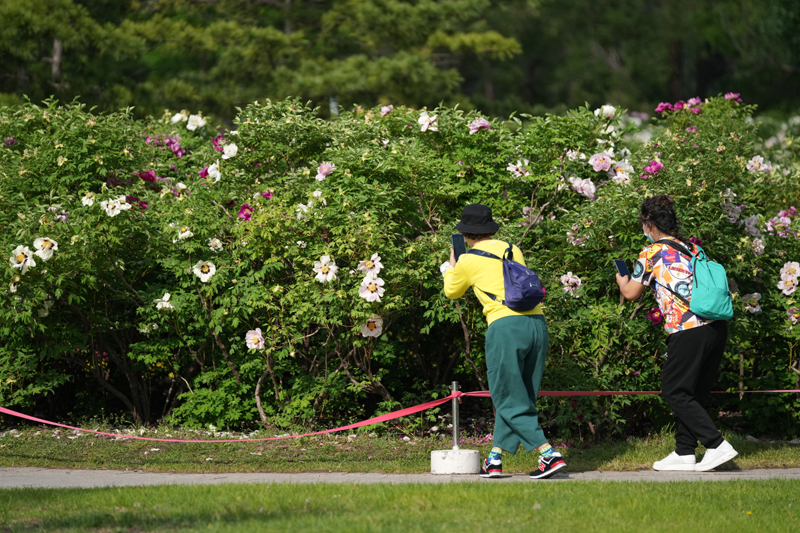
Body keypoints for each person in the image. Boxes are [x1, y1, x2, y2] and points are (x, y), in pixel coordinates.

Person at [440, 203, 566, 479]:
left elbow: (452, 292)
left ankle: (548, 454)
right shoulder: (512, 248)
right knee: (521, 395)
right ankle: (495, 459)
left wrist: (449, 268)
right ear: (490, 229)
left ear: (465, 233)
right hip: (536, 324)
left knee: (506, 395)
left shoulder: (467, 260)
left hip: (505, 327)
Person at [616, 195, 738, 472]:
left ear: (649, 224)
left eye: (643, 224)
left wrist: (621, 279)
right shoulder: (691, 247)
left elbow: (631, 293)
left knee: (674, 391)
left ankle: (717, 445)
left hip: (688, 328)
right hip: (716, 326)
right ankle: (684, 452)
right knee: (695, 393)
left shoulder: (650, 253)